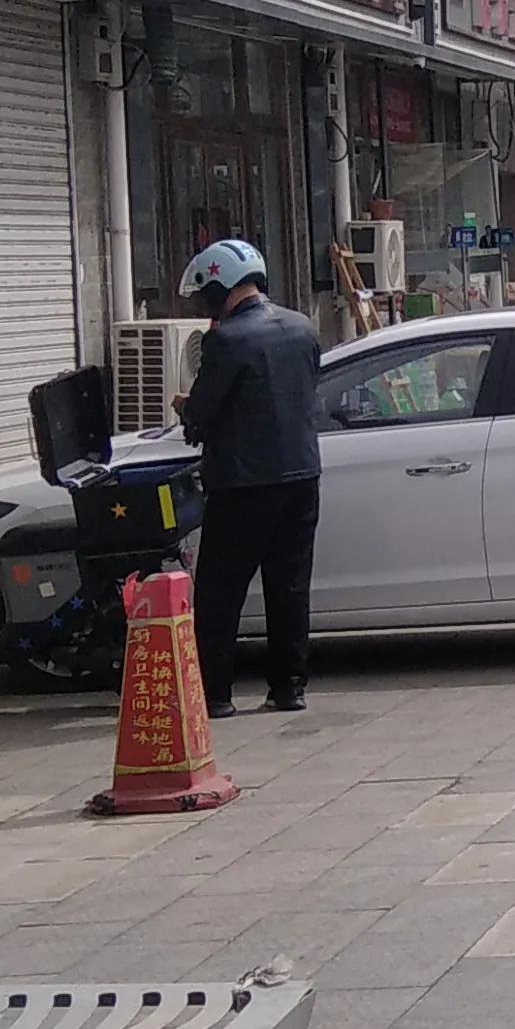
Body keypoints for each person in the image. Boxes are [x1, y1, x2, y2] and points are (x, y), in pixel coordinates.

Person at [175, 236, 322, 719]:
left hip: (242, 483)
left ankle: (217, 695)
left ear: (219, 287)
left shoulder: (227, 340)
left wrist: (184, 407)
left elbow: (202, 413)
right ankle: (289, 688)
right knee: (290, 586)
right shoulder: (301, 328)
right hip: (301, 476)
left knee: (221, 591)